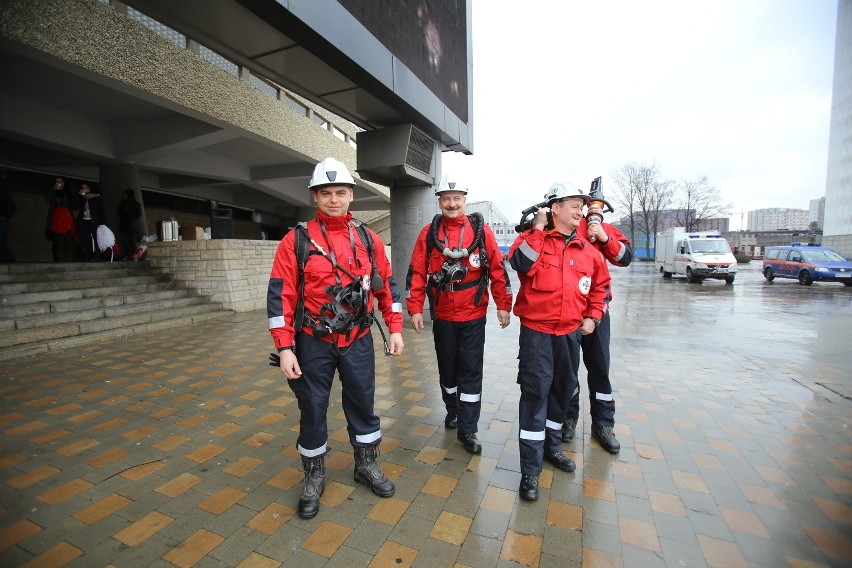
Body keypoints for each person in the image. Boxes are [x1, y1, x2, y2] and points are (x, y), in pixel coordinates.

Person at [266, 157, 404, 519]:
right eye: (325, 193)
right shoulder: (295, 241)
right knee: (312, 407)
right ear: (315, 197)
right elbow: (280, 296)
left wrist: (396, 328)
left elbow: (387, 286)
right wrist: (284, 347)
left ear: (351, 196)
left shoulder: (368, 239)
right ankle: (313, 476)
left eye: (340, 192)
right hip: (313, 341)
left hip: (358, 338)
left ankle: (367, 465)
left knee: (362, 402)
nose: (333, 199)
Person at [508, 182, 611, 501]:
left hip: (569, 334)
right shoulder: (531, 239)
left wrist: (593, 316)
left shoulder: (587, 248)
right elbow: (520, 264)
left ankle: (552, 448)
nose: (581, 209)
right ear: (555, 208)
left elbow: (600, 285)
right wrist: (538, 229)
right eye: (574, 204)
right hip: (537, 333)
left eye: (582, 205)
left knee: (564, 391)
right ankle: (529, 471)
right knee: (536, 393)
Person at [406, 176, 512, 454]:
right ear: (439, 201)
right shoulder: (428, 234)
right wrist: (415, 307)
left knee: (470, 372)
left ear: (465, 200)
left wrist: (503, 304)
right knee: (448, 370)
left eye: (457, 198)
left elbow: (498, 270)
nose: (452, 204)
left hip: (473, 314)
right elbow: (417, 272)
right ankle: (452, 410)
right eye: (446, 198)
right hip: (443, 316)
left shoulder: (481, 232)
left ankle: (468, 429)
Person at [560, 212, 633, 454]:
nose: (576, 208)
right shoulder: (558, 227)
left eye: (580, 203)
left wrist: (604, 238)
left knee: (600, 369)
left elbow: (625, 258)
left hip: (598, 314)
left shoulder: (600, 227)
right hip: (567, 313)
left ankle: (603, 425)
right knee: (566, 370)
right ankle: (567, 419)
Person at [45, 177, 77, 262]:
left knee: (69, 239)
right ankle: (60, 258)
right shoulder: (53, 192)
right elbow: (47, 199)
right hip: (57, 220)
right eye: (57, 181)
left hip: (67, 220)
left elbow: (74, 206)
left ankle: (69, 257)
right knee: (59, 240)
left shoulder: (68, 193)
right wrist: (53, 190)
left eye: (60, 181)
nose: (58, 183)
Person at [76, 183, 105, 261]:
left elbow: (101, 210)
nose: (84, 189)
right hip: (84, 220)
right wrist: (79, 195)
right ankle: (86, 255)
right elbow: (75, 206)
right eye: (83, 187)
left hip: (94, 220)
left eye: (86, 187)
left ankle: (97, 255)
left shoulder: (96, 197)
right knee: (86, 237)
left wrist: (102, 222)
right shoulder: (82, 198)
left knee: (96, 237)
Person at [117, 188, 142, 260]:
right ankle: (128, 255)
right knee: (126, 241)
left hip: (131, 225)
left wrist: (130, 216)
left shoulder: (135, 204)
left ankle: (133, 255)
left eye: (125, 194)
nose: (124, 196)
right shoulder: (123, 203)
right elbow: (119, 212)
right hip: (125, 225)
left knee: (132, 241)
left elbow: (138, 214)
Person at [0, 176, 15, 263]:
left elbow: (10, 207)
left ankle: (8, 256)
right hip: (3, 218)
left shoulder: (3, 194)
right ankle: (5, 257)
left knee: (2, 237)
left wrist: (5, 216)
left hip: (2, 218)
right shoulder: (5, 194)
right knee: (2, 237)